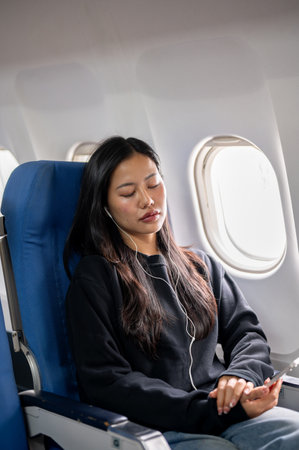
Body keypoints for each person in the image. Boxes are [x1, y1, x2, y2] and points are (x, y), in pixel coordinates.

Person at [64, 136, 299, 449]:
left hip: (223, 410)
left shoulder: (201, 265)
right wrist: (208, 410)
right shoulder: (96, 278)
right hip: (154, 426)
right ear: (105, 206)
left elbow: (248, 335)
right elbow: (108, 381)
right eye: (128, 192)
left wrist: (239, 377)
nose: (148, 200)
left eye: (153, 184)